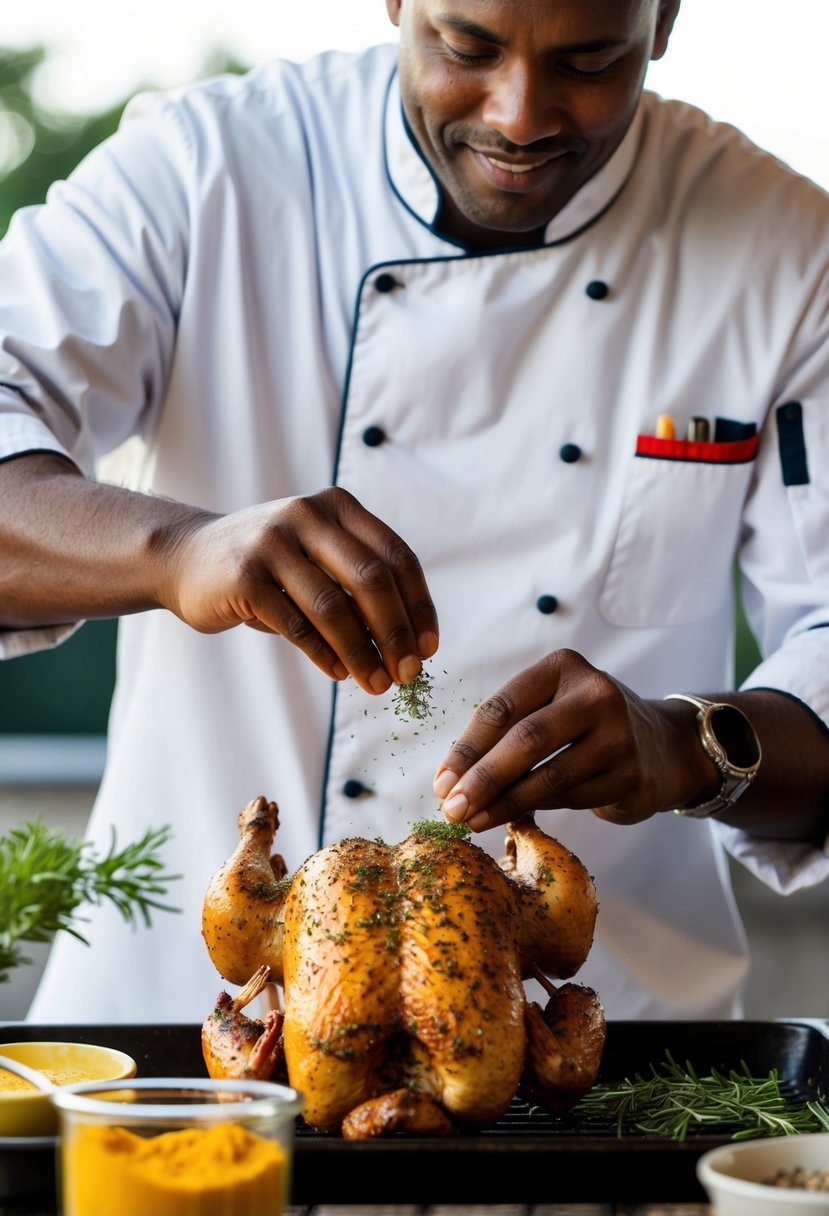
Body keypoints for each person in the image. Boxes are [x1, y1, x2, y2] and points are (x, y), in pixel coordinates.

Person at [1, 0, 828, 1026]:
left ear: (664, 19)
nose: (521, 114)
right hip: (194, 1042)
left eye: (590, 56)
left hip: (611, 1058)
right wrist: (178, 551)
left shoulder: (788, 249)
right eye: (466, 46)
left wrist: (690, 744)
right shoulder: (204, 168)